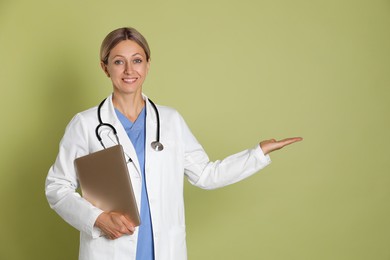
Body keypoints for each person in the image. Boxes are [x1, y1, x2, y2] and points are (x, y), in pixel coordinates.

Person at [45, 27, 302, 260]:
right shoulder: (85, 124)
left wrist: (257, 153)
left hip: (164, 250)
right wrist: (97, 218)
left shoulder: (170, 121)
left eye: (137, 60)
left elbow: (206, 174)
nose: (129, 70)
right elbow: (57, 187)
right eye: (118, 62)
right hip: (109, 249)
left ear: (147, 64)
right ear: (105, 68)